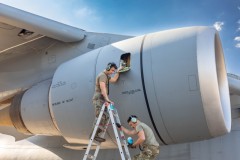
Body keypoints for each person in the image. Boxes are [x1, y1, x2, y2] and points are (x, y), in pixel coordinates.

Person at [91, 62, 121, 142]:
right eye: (112, 70)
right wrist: (107, 99)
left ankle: (97, 134)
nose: (112, 72)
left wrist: (118, 72)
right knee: (100, 117)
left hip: (102, 98)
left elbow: (114, 80)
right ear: (108, 68)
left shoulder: (106, 76)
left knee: (105, 117)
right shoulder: (102, 76)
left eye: (113, 71)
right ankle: (94, 135)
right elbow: (103, 88)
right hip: (99, 98)